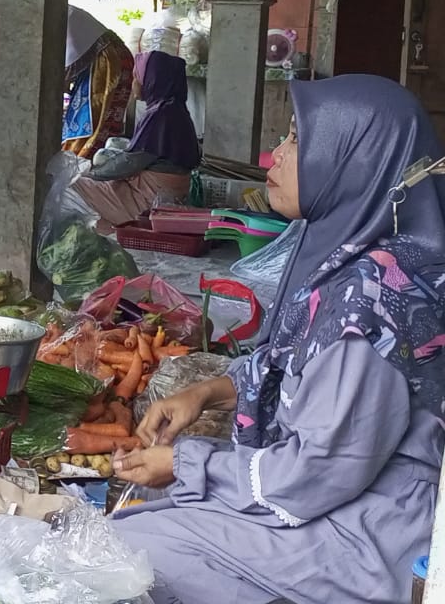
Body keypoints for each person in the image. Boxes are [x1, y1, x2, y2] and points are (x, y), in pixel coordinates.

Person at [111, 75, 445, 604]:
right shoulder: (351, 253)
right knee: (151, 519)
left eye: (296, 140)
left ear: (352, 160)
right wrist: (208, 392)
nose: (274, 157)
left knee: (125, 550)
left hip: (366, 535)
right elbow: (296, 364)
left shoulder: (366, 305)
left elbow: (315, 474)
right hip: (344, 495)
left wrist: (186, 463)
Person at [72, 50, 200, 227]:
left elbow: (129, 163)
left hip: (149, 203)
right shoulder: (174, 110)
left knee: (71, 186)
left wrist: (91, 173)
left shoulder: (162, 116)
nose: (133, 84)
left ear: (152, 81)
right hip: (165, 195)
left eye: (136, 77)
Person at [63, 4, 134, 160]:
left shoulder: (56, 13)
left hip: (107, 61)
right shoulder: (61, 9)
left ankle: (81, 158)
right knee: (100, 114)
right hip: (113, 56)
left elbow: (62, 74)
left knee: (93, 115)